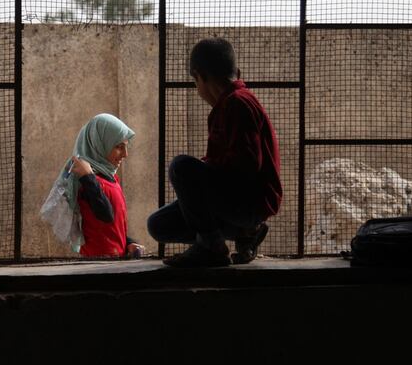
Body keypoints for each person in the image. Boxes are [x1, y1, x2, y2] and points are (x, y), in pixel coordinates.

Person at [147, 38, 282, 267]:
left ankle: (211, 247)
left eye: (195, 81)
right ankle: (243, 233)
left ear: (199, 77)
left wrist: (205, 171)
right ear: (236, 71)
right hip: (236, 202)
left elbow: (247, 166)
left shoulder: (237, 104)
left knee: (180, 167)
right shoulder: (229, 104)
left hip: (248, 203)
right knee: (159, 225)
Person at [61, 113, 145, 258]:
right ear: (99, 144)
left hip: (114, 259)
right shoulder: (85, 181)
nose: (125, 154)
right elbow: (105, 214)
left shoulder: (110, 179)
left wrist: (127, 243)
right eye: (119, 147)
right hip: (96, 264)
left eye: (126, 147)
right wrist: (88, 177)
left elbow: (112, 225)